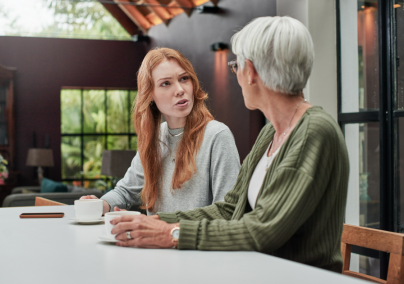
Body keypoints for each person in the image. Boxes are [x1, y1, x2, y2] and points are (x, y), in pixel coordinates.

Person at [109, 17, 349, 272]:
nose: (236, 75)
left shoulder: (314, 133)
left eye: (236, 66)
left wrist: (173, 234)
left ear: (252, 72)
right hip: (260, 271)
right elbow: (230, 208)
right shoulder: (270, 133)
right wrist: (159, 222)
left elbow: (263, 230)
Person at [81, 48, 240, 215]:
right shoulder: (155, 138)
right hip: (152, 241)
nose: (180, 89)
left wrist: (168, 230)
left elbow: (227, 211)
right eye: (166, 83)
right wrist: (100, 204)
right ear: (150, 94)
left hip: (191, 240)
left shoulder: (217, 135)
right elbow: (125, 192)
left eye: (184, 78)